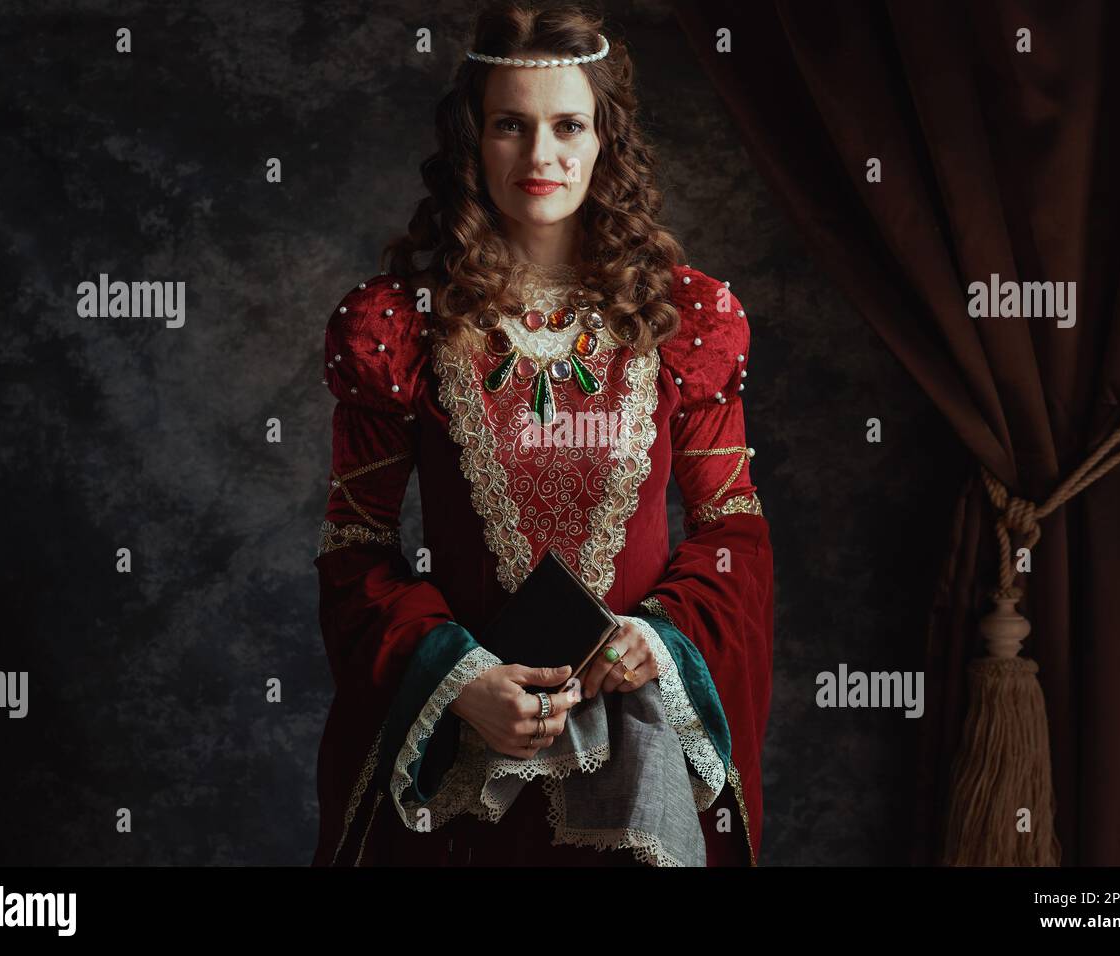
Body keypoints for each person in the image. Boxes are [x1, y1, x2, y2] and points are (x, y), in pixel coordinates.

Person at [311, 2, 774, 867]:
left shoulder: (686, 321)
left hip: (636, 743)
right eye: (510, 127)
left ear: (605, 137)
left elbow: (731, 534)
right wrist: (457, 677)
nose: (541, 156)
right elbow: (355, 547)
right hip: (468, 748)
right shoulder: (400, 327)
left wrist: (663, 637)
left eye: (568, 125)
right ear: (470, 141)